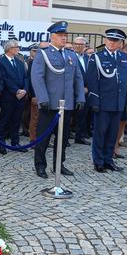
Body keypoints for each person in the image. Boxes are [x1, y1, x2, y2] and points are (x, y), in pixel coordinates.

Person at [31, 21, 85, 180]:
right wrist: (43, 99)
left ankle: (58, 164)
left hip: (66, 104)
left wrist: (80, 97)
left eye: (65, 35)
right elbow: (37, 77)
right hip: (50, 104)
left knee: (62, 138)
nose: (64, 38)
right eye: (60, 35)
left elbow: (78, 78)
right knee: (43, 138)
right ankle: (40, 165)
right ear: (52, 37)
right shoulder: (44, 53)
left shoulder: (71, 54)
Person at [87, 29, 127, 173]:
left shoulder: (124, 58)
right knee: (100, 133)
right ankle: (98, 161)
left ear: (120, 43)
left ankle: (108, 160)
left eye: (116, 41)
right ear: (105, 41)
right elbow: (92, 81)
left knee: (113, 134)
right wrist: (94, 101)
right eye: (110, 40)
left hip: (118, 102)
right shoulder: (97, 57)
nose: (112, 43)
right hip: (103, 102)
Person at [0, 39, 28, 154]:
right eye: (16, 47)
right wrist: (16, 91)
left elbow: (25, 78)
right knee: (4, 120)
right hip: (8, 97)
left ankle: (15, 142)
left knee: (16, 120)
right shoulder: (0, 62)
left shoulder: (19, 62)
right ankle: (1, 144)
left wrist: (24, 90)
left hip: (20, 97)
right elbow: (4, 79)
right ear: (9, 49)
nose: (18, 49)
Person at [73, 36, 91, 145]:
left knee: (83, 115)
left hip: (86, 91)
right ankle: (63, 138)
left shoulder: (87, 58)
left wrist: (88, 87)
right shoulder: (69, 57)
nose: (78, 46)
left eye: (80, 44)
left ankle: (79, 136)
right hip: (73, 91)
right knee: (69, 116)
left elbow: (90, 74)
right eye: (76, 44)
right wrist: (79, 88)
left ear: (84, 46)